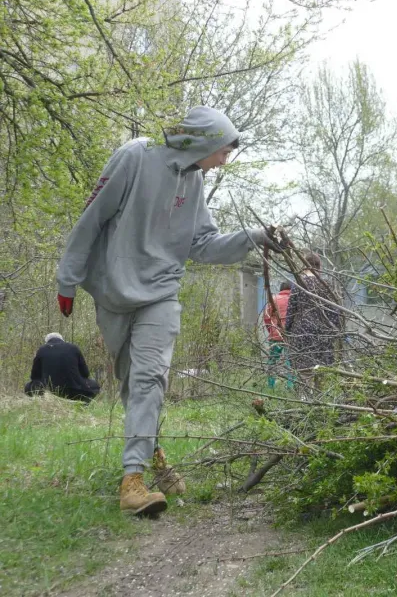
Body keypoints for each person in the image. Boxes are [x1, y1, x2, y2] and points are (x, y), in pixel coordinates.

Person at [56, 106, 280, 516]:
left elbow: (204, 244)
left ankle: (132, 481)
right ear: (205, 142)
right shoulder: (135, 157)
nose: (224, 160)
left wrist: (255, 236)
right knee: (130, 383)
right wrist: (67, 277)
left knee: (150, 378)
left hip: (161, 291)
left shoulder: (193, 182)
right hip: (113, 289)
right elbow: (94, 215)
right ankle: (155, 458)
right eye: (224, 150)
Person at [284, 252, 341, 375]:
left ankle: (305, 393)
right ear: (319, 266)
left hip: (301, 332)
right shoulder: (327, 285)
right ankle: (320, 393)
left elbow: (291, 311)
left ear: (304, 266)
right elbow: (333, 312)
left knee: (303, 370)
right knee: (322, 370)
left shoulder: (299, 285)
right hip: (323, 334)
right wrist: (334, 331)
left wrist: (287, 330)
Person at [25, 333, 101, 402]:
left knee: (28, 387)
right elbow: (85, 373)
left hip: (50, 391)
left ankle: (45, 402)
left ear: (47, 341)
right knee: (94, 385)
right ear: (62, 340)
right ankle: (83, 403)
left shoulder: (41, 350)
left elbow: (34, 376)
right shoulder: (74, 348)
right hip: (75, 391)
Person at [263, 281, 293, 388]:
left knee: (272, 362)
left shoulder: (273, 299)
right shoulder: (294, 300)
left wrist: (271, 331)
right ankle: (291, 386)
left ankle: (270, 385)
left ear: (280, 289)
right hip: (291, 336)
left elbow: (267, 318)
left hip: (275, 335)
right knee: (290, 362)